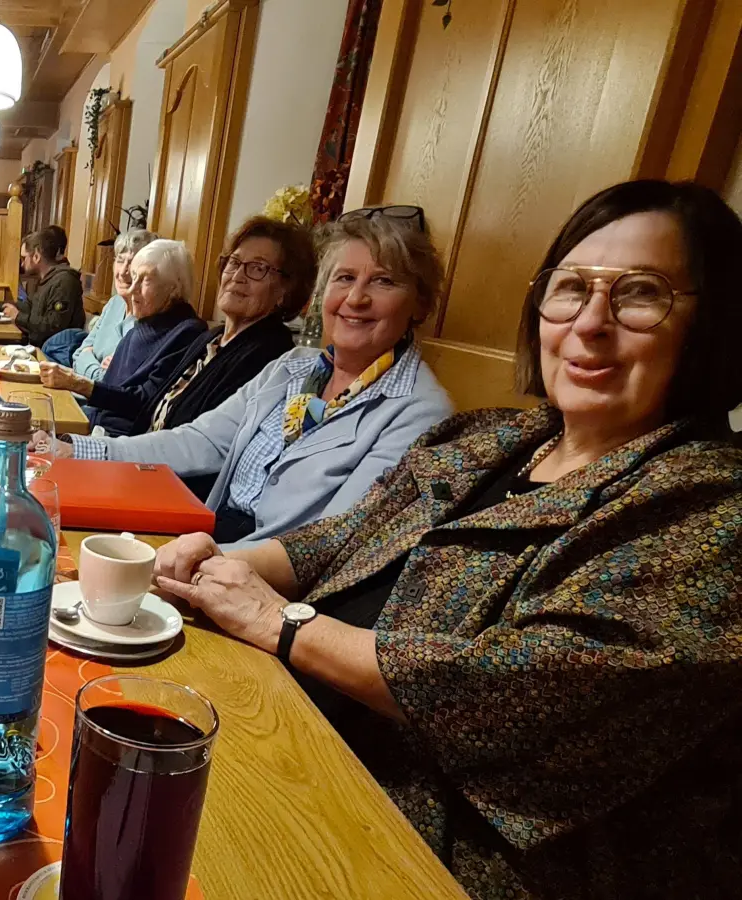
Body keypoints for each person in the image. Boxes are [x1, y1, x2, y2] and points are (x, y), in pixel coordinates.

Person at [151, 180, 742, 898]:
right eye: (571, 289)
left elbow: (517, 691)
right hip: (295, 732)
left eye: (640, 294)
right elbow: (341, 538)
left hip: (430, 851)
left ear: (714, 326)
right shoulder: (491, 436)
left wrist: (279, 622)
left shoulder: (709, 505)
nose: (590, 323)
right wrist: (218, 563)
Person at [50, 213, 452, 544]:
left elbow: (331, 542)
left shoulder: (420, 412)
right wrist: (81, 449)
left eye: (383, 281)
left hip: (268, 587)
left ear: (419, 303)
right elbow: (202, 439)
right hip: (204, 540)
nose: (356, 298)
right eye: (344, 278)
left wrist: (186, 562)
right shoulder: (296, 366)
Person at [139, 216, 316, 433]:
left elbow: (202, 444)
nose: (238, 276)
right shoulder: (211, 337)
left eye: (258, 268)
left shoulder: (268, 354)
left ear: (285, 290)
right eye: (234, 262)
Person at [41, 239, 207, 436]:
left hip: (121, 442)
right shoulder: (144, 322)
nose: (131, 289)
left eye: (145, 280)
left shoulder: (186, 333)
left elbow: (146, 402)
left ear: (173, 288)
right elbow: (109, 389)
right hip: (94, 424)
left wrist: (76, 383)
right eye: (134, 277)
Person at [42, 228, 157, 372]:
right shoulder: (114, 304)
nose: (123, 272)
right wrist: (90, 359)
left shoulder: (148, 318)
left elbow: (108, 381)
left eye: (133, 263)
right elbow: (78, 355)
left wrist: (88, 358)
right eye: (120, 261)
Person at [5, 227, 84, 347]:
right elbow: (29, 307)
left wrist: (17, 317)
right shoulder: (47, 280)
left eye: (24, 258)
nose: (22, 263)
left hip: (53, 354)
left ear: (36, 256)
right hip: (38, 346)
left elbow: (53, 327)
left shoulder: (64, 282)